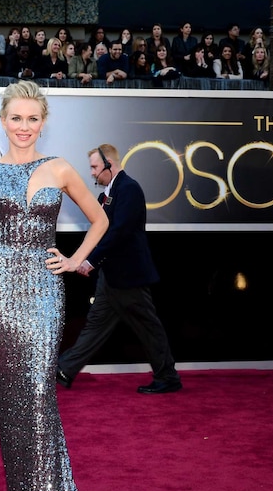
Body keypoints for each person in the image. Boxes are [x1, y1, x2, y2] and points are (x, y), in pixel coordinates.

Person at [0, 81, 139, 491]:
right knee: (11, 404)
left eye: (32, 118)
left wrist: (75, 259)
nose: (23, 127)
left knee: (38, 396)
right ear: (3, 120)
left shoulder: (59, 168)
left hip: (43, 293)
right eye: (15, 118)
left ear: (43, 121)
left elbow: (100, 220)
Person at [56, 144, 181, 395]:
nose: (91, 173)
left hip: (128, 276)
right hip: (112, 276)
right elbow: (104, 233)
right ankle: (65, 370)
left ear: (109, 165)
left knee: (148, 327)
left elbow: (118, 233)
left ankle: (167, 376)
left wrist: (90, 262)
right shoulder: (110, 193)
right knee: (96, 325)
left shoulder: (129, 189)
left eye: (94, 167)